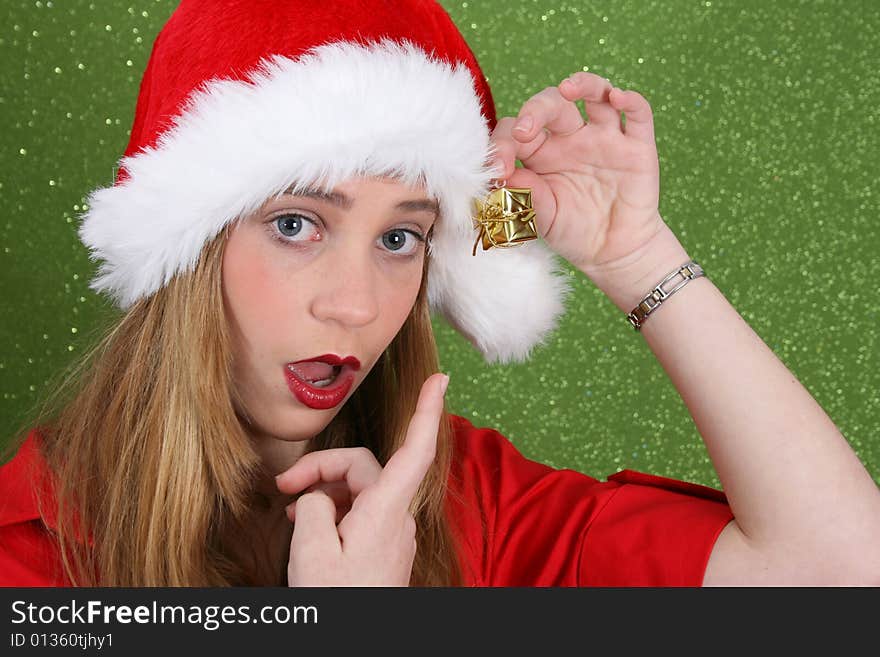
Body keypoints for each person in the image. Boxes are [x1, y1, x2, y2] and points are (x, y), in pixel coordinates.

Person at [1, 0, 878, 587]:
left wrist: (634, 255)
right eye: (297, 224)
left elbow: (840, 572)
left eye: (400, 237)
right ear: (186, 247)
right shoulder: (25, 556)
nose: (353, 306)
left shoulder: (466, 504)